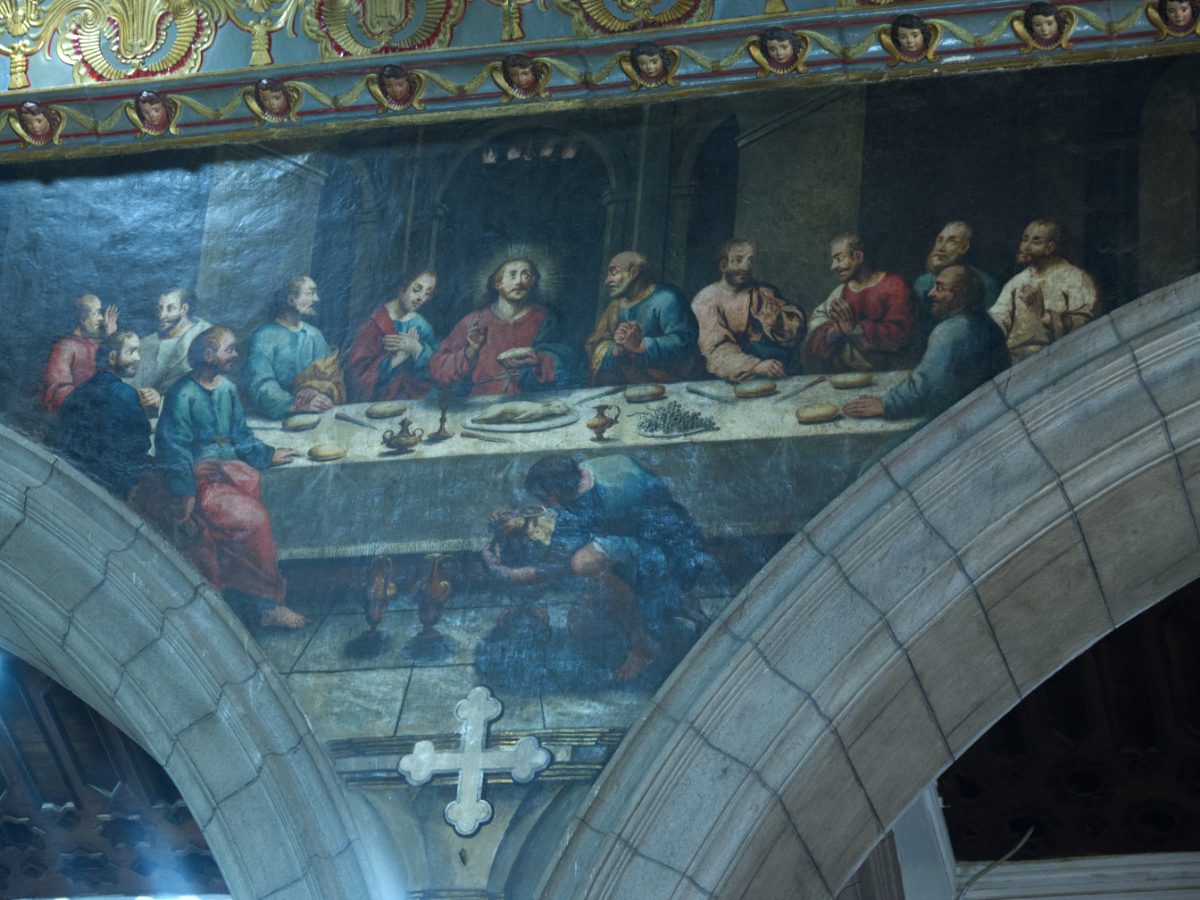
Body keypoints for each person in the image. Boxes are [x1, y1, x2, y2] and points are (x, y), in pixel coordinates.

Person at [483, 454, 707, 683]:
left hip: (667, 551)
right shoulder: (582, 475)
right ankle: (678, 605)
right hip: (651, 536)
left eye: (545, 497)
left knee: (584, 563)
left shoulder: (608, 500)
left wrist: (509, 574)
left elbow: (562, 563)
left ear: (558, 491)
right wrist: (517, 520)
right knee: (581, 624)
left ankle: (644, 645)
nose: (546, 503)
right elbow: (565, 520)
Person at [156, 326, 307, 629]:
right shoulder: (181, 394)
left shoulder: (226, 389)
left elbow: (241, 436)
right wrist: (185, 492)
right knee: (256, 520)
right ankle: (269, 604)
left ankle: (255, 600)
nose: (235, 355)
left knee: (257, 520)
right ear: (208, 353)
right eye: (230, 349)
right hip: (202, 481)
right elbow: (173, 449)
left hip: (234, 475)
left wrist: (267, 454)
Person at [843, 265, 1009, 422]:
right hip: (991, 412)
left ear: (957, 294)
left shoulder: (952, 331)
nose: (930, 294)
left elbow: (925, 387)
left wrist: (885, 404)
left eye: (939, 288)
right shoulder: (987, 324)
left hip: (963, 418)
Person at [429, 256, 576, 396]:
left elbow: (568, 361)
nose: (519, 281)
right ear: (498, 284)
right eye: (512, 275)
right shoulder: (474, 321)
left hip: (531, 402)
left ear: (532, 281)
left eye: (526, 275)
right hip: (481, 402)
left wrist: (538, 359)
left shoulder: (546, 319)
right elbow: (438, 370)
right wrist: (470, 351)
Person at [52, 331, 152, 499]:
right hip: (104, 484)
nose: (138, 358)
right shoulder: (125, 394)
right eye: (131, 351)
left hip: (71, 474)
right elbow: (139, 442)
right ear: (112, 358)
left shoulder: (81, 390)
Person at [988, 219, 1102, 363]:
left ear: (1050, 247)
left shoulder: (1074, 277)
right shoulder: (1016, 282)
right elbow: (998, 320)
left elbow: (1086, 322)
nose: (1026, 247)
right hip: (1014, 362)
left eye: (1036, 242)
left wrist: (1044, 315)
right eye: (1025, 240)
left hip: (1058, 359)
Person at [691, 239, 806, 381]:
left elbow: (793, 334)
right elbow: (716, 350)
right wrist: (755, 366)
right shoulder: (706, 300)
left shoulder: (764, 292)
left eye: (750, 261)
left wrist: (780, 324)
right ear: (723, 266)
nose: (746, 267)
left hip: (776, 371)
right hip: (729, 376)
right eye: (738, 260)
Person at [806, 233, 917, 373]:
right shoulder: (839, 292)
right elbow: (817, 329)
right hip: (848, 373)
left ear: (858, 257)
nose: (833, 266)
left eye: (839, 259)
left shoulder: (895, 286)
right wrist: (836, 331)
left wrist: (854, 329)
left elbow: (902, 334)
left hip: (889, 372)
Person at [585, 251, 700, 385]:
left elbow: (686, 342)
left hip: (667, 385)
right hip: (626, 384)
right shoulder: (614, 307)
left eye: (614, 272)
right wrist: (618, 349)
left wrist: (640, 345)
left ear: (633, 272)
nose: (607, 280)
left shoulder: (666, 298)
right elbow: (595, 343)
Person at [245, 276, 338, 418]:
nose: (316, 299)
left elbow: (330, 375)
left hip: (315, 413)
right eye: (310, 293)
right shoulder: (265, 335)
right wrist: (293, 404)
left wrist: (320, 393)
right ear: (291, 299)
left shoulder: (315, 335)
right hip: (275, 418)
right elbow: (260, 384)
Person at [345, 270, 439, 402]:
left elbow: (437, 371)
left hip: (413, 401)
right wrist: (395, 360)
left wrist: (416, 349)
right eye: (416, 290)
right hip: (377, 401)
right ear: (401, 289)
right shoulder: (374, 322)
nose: (420, 298)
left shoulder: (422, 327)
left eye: (427, 293)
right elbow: (357, 375)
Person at [130, 287, 211, 412]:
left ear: (184, 309)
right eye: (160, 308)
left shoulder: (205, 339)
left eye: (170, 308)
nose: (162, 315)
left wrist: (161, 401)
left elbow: (207, 392)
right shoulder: (145, 344)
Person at [38, 294, 119, 413]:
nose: (101, 318)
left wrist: (111, 336)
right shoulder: (65, 347)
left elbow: (110, 375)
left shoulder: (96, 344)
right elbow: (57, 392)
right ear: (83, 319)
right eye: (96, 313)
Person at [913, 222, 1000, 316]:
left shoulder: (986, 283)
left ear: (964, 247)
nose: (941, 248)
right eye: (939, 240)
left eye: (952, 241)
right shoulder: (923, 282)